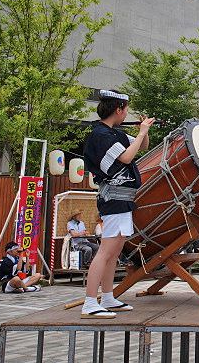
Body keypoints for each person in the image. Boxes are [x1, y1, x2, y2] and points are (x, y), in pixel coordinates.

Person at [81, 89, 154, 319]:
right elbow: (126, 158)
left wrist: (144, 132)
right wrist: (141, 132)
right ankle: (90, 301)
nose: (127, 113)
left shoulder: (115, 133)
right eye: (126, 109)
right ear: (118, 109)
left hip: (122, 199)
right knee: (105, 251)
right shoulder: (101, 134)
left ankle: (108, 296)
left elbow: (141, 147)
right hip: (112, 198)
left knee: (114, 252)